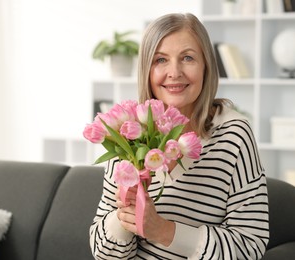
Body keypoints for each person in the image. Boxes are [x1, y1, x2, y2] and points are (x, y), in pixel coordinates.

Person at [89, 13, 269, 259]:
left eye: (187, 58)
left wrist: (164, 231)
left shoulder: (234, 134)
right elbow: (103, 254)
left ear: (206, 65)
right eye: (161, 59)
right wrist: (125, 216)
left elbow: (250, 246)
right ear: (147, 71)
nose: (174, 72)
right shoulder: (128, 130)